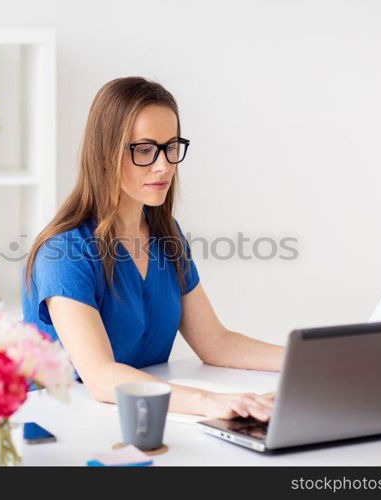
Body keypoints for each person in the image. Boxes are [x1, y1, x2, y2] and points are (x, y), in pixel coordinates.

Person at [23, 76, 284, 421]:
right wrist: (211, 402)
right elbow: (100, 378)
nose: (164, 166)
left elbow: (215, 342)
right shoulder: (64, 253)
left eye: (171, 147)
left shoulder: (167, 237)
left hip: (145, 417)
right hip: (63, 426)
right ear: (105, 155)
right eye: (144, 150)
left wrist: (306, 361)